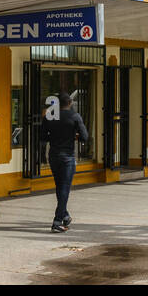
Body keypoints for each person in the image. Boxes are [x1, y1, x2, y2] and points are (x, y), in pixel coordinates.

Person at [40, 92, 90, 232]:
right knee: (65, 188)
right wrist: (73, 136)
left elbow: (43, 137)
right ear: (70, 103)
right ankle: (57, 221)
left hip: (54, 155)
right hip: (67, 156)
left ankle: (65, 216)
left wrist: (55, 136)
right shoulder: (75, 117)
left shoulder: (50, 116)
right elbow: (85, 137)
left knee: (59, 187)